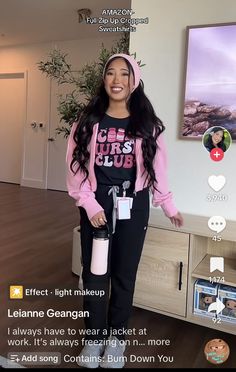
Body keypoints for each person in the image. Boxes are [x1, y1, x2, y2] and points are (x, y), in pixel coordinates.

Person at [66, 53, 183, 369]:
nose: (117, 80)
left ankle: (116, 340)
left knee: (123, 275)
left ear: (135, 80)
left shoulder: (148, 126)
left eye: (124, 73)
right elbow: (76, 171)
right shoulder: (87, 122)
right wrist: (90, 205)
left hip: (134, 205)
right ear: (104, 80)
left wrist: (168, 205)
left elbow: (159, 171)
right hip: (98, 206)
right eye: (110, 73)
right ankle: (93, 340)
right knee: (94, 274)